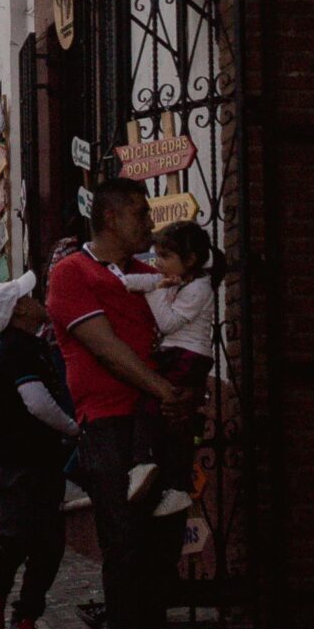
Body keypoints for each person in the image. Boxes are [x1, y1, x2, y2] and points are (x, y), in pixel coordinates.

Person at [46, 180, 194, 629]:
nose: (148, 222)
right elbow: (105, 348)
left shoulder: (149, 276)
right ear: (108, 218)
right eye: (137, 213)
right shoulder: (71, 275)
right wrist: (163, 389)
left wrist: (178, 393)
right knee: (126, 540)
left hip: (159, 418)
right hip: (109, 423)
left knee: (163, 541)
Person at [0, 271, 77, 629]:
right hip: (18, 460)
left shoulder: (28, 346)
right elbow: (35, 402)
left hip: (38, 457)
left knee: (49, 542)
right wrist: (71, 428)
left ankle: (25, 617)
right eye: (30, 297)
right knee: (18, 536)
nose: (39, 301)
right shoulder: (17, 350)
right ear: (19, 311)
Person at [116, 220, 223, 518]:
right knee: (169, 419)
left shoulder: (199, 288)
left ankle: (144, 462)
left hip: (187, 356)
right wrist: (122, 281)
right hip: (176, 353)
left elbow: (168, 322)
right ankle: (175, 485)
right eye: (157, 256)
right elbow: (136, 283)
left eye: (164, 258)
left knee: (151, 403)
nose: (158, 264)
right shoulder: (182, 281)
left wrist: (153, 291)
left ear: (189, 261)